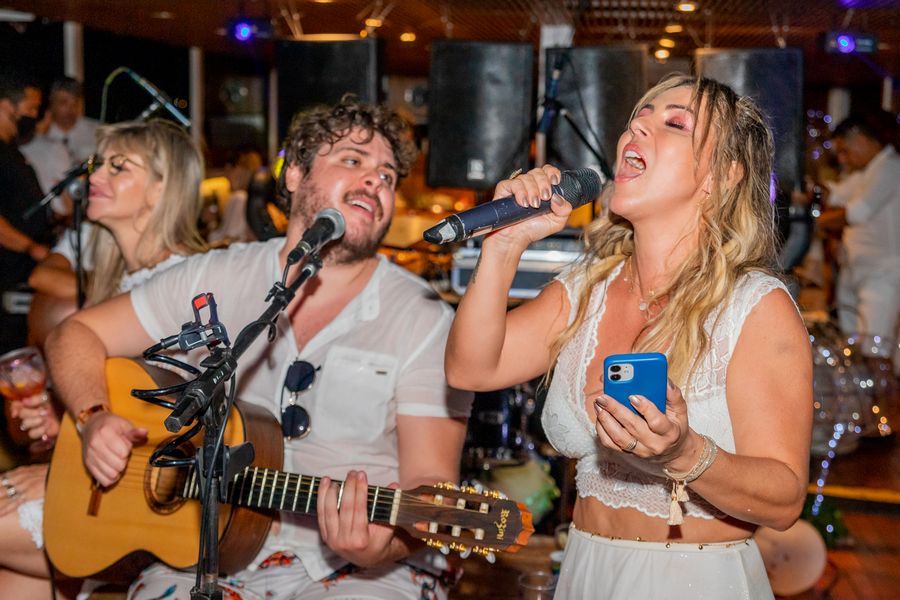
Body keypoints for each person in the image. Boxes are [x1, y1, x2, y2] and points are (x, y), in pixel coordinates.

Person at [45, 95, 471, 599]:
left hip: (362, 572)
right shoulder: (215, 276)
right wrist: (93, 416)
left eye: (387, 176)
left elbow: (431, 487)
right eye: (353, 160)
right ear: (295, 174)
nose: (375, 181)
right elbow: (75, 334)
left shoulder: (424, 317)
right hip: (205, 550)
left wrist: (380, 547)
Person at [446, 73, 813, 599]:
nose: (636, 128)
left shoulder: (753, 307)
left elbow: (784, 500)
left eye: (675, 123)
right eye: (638, 117)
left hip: (695, 581)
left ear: (723, 174)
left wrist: (684, 454)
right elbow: (470, 368)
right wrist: (504, 246)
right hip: (586, 570)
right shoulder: (586, 288)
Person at [0, 119, 206, 598]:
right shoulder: (123, 283)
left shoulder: (185, 285)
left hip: (160, 510)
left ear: (161, 189)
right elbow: (135, 403)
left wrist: (59, 471)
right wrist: (64, 421)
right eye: (100, 164)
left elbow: (192, 429)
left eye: (119, 167)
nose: (94, 176)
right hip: (102, 486)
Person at [817, 114, 900, 378]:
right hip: (856, 273)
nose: (842, 159)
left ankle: (881, 401)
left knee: (875, 351)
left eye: (844, 150)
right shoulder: (867, 171)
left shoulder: (891, 167)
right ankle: (862, 400)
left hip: (882, 275)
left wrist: (816, 222)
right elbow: (835, 194)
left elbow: (857, 213)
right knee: (852, 348)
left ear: (861, 139)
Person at [0, 75, 52, 356]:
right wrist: (32, 248)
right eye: (30, 109)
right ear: (7, 106)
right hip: (8, 276)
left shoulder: (12, 151)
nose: (34, 116)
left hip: (22, 275)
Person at [21, 77, 99, 206]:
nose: (70, 109)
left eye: (75, 103)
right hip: (51, 206)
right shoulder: (40, 134)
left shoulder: (96, 132)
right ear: (51, 102)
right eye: (63, 102)